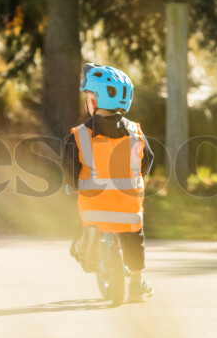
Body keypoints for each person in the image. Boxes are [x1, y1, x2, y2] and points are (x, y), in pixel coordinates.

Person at [62, 63, 155, 301]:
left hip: (93, 206)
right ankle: (136, 281)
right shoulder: (135, 132)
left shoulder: (79, 134)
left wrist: (72, 185)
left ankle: (85, 244)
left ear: (93, 102)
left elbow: (70, 167)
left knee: (82, 218)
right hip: (127, 208)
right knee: (135, 238)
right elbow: (148, 160)